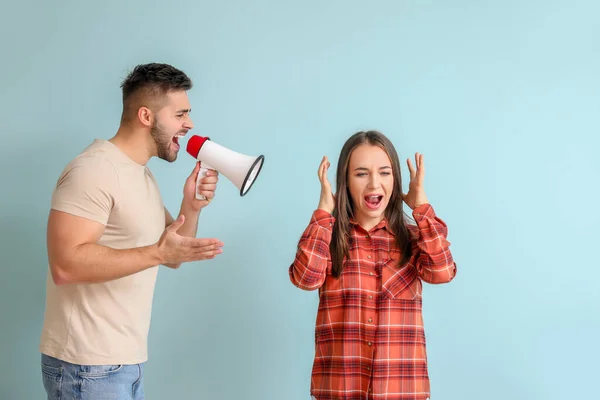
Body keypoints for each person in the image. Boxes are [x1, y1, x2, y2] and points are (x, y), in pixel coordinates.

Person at [39, 63, 224, 399]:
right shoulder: (93, 169)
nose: (190, 124)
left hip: (125, 364)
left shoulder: (140, 175)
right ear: (146, 116)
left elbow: (174, 253)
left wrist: (191, 205)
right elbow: (65, 265)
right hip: (87, 366)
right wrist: (157, 252)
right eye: (181, 114)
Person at [289, 130, 457, 400]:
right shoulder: (327, 237)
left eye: (384, 172)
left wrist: (422, 207)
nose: (374, 183)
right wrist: (323, 212)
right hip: (340, 390)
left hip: (401, 390)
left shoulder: (415, 238)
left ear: (395, 179)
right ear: (345, 180)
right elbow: (305, 279)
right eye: (361, 173)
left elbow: (442, 271)